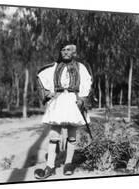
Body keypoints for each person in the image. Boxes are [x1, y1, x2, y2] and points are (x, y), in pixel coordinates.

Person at [34, 43, 92, 179]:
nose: (65, 52)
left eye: (69, 50)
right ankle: (49, 167)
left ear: (74, 53)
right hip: (58, 101)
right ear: (60, 52)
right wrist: (47, 93)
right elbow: (41, 77)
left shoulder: (80, 67)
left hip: (73, 101)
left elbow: (87, 82)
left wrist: (82, 99)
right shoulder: (54, 67)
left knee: (72, 132)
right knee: (54, 133)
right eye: (63, 50)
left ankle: (68, 163)